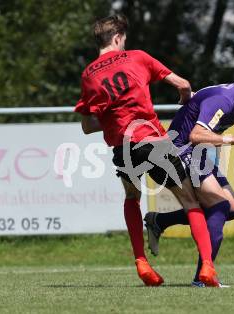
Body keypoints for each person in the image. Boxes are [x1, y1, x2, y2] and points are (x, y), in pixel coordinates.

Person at [74, 14, 219, 287]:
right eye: (123, 40)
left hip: (123, 148)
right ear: (118, 38)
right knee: (190, 201)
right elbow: (183, 84)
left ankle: (142, 262)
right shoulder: (137, 57)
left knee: (132, 198)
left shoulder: (88, 75)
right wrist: (186, 103)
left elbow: (87, 126)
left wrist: (111, 119)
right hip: (153, 141)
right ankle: (208, 267)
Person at [145, 75, 234, 286]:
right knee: (219, 206)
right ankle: (203, 278)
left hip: (198, 153)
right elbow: (196, 134)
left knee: (232, 209)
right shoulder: (225, 101)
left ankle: (160, 221)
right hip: (180, 150)